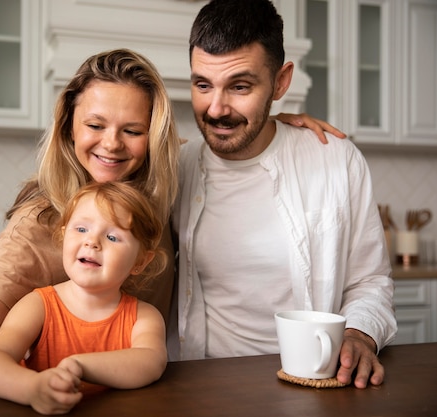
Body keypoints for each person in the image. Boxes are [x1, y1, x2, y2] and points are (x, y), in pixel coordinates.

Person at [0, 46, 341, 391]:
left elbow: (229, 136)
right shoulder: (37, 223)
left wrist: (277, 129)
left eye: (133, 129)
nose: (111, 144)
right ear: (68, 125)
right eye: (95, 125)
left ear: (154, 136)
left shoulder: (166, 187)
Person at [170, 0, 397, 389]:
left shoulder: (336, 160)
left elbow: (370, 280)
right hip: (200, 386)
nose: (217, 109)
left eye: (240, 86)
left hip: (311, 384)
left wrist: (361, 334)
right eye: (202, 85)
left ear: (280, 82)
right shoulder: (177, 168)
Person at [0, 181, 167, 414]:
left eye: (113, 237)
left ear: (140, 261)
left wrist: (79, 365)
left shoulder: (143, 317)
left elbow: (150, 363)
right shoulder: (37, 305)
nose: (92, 242)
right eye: (81, 229)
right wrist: (33, 388)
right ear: (64, 236)